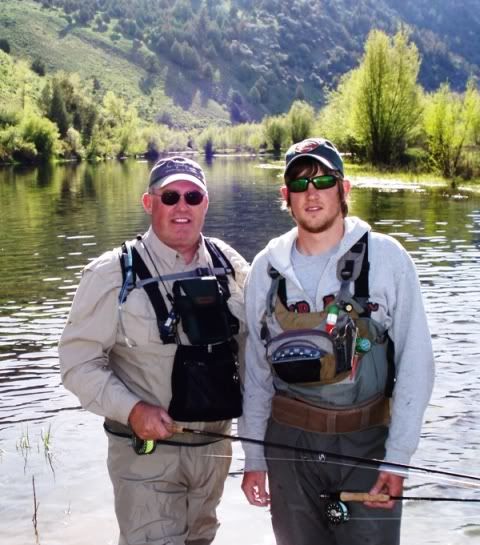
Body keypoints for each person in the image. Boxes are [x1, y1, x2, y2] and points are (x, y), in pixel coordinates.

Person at [239, 137, 434, 545]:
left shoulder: (388, 259)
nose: (311, 193)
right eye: (299, 183)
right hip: (288, 449)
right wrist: (254, 457)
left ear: (344, 189)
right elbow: (255, 373)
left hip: (368, 447)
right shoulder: (264, 268)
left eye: (324, 181)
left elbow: (416, 364)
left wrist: (398, 459)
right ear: (286, 196)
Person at [59, 156, 249, 545]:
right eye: (170, 196)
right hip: (146, 457)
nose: (182, 207)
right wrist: (132, 409)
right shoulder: (111, 274)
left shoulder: (229, 265)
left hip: (214, 453)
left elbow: (254, 350)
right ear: (149, 203)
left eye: (193, 197)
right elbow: (77, 365)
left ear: (206, 203)